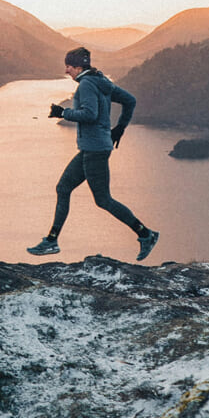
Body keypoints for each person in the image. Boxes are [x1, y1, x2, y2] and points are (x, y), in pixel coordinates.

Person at [27, 47, 159, 261]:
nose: (66, 70)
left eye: (69, 66)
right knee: (63, 187)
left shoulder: (87, 84)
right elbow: (130, 100)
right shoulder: (100, 80)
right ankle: (51, 241)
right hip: (94, 147)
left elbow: (90, 114)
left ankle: (146, 234)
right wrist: (119, 129)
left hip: (95, 149)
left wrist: (63, 113)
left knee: (103, 199)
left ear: (79, 66)